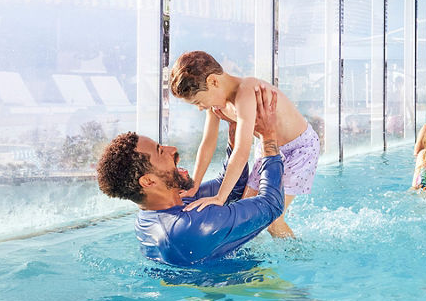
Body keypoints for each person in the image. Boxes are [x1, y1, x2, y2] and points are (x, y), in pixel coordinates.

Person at [95, 86, 285, 268]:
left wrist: (234, 128)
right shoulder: (190, 227)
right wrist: (268, 136)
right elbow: (272, 204)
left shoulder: (163, 208)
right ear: (148, 181)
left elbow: (232, 189)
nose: (173, 150)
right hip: (230, 293)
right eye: (161, 152)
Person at [169, 51, 317, 237]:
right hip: (268, 150)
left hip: (299, 149)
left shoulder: (246, 92)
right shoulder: (217, 104)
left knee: (272, 218)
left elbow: (241, 150)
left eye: (198, 101)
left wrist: (220, 197)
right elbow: (208, 143)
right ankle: (253, 257)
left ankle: (299, 257)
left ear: (213, 82)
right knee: (246, 211)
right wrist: (195, 184)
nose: (200, 107)